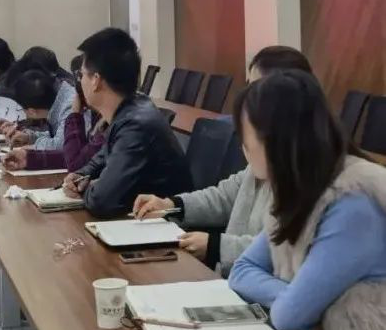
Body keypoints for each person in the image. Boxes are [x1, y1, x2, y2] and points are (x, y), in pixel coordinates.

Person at [227, 70, 386, 330]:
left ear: (276, 139)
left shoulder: (353, 203)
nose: (243, 147)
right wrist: (307, 304)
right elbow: (242, 269)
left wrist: (304, 306)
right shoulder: (302, 190)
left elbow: (288, 315)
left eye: (246, 135)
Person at [132, 46, 313, 275]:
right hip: (234, 282)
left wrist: (216, 247)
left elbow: (284, 250)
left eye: (256, 88)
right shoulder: (264, 155)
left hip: (258, 289)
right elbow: (224, 197)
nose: (248, 98)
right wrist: (171, 205)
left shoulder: (310, 173)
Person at [62, 28, 193, 218]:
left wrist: (85, 189)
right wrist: (82, 175)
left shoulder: (136, 125)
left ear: (96, 81)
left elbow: (102, 201)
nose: (80, 82)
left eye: (81, 75)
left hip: (166, 227)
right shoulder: (131, 108)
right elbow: (104, 156)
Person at [3, 55, 106, 172]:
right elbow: (72, 152)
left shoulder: (72, 105)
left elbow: (67, 152)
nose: (77, 84)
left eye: (81, 76)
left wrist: (75, 115)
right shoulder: (64, 100)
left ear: (96, 80)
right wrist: (30, 147)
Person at [5, 68, 76, 151]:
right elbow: (58, 135)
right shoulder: (59, 98)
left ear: (32, 112)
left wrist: (35, 147)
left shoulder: (70, 106)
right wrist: (29, 137)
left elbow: (60, 145)